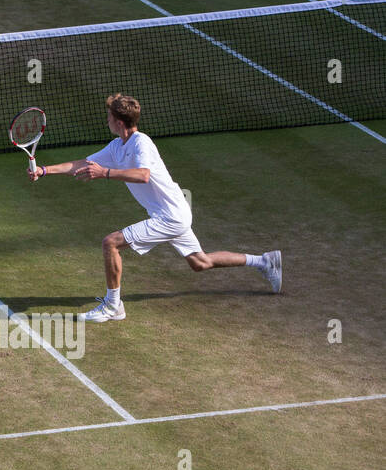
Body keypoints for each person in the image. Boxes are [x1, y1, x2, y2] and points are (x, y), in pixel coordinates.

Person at [28, 94, 282, 323]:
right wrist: (45, 170)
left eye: (109, 117)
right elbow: (83, 163)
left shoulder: (141, 143)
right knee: (200, 262)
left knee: (111, 243)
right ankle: (264, 261)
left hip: (170, 217)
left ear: (119, 122)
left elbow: (143, 175)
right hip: (174, 213)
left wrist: (104, 173)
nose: (106, 120)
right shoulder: (117, 146)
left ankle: (113, 307)